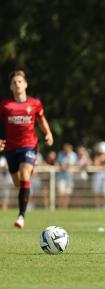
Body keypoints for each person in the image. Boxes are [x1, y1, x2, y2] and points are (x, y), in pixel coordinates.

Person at [0, 70, 54, 228]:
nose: (17, 84)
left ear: (25, 84)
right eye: (14, 82)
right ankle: (28, 172)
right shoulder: (5, 105)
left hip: (29, 145)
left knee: (25, 174)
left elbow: (41, 120)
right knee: (18, 183)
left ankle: (21, 216)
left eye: (19, 81)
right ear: (11, 87)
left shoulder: (35, 103)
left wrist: (48, 133)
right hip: (10, 148)